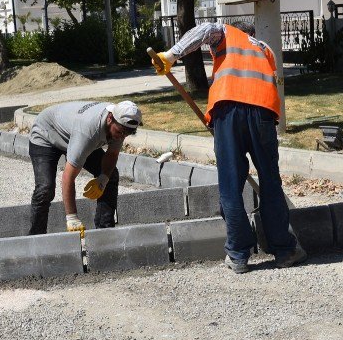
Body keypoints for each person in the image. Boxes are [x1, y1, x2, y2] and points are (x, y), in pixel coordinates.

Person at [153, 21, 306, 272]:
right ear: (253, 34)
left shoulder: (225, 32)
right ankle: (285, 250)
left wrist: (170, 56)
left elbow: (203, 31)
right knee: (270, 181)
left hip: (227, 111)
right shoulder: (266, 49)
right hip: (264, 113)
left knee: (230, 183)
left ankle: (238, 254)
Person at [27, 100, 142, 235]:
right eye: (120, 132)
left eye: (126, 134)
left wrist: (103, 179)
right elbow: (68, 177)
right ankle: (36, 238)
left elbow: (112, 154)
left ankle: (105, 234)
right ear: (110, 118)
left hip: (72, 133)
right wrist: (72, 218)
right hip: (45, 133)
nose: (122, 137)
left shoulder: (121, 122)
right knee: (45, 189)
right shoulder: (88, 131)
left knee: (111, 176)